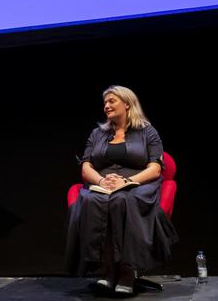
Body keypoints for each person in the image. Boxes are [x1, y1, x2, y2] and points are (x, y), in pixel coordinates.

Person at [65, 86, 178, 295]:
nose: (106, 106)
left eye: (111, 101)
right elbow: (86, 166)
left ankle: (127, 271)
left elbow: (155, 168)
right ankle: (108, 271)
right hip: (102, 183)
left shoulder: (147, 131)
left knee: (121, 201)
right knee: (92, 201)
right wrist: (101, 180)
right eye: (105, 103)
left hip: (138, 184)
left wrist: (126, 180)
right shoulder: (97, 133)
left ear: (127, 103)